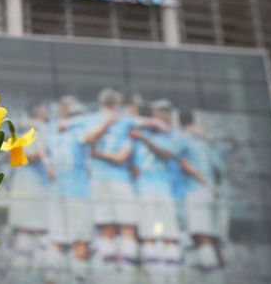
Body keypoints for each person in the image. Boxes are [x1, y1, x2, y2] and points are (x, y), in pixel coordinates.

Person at [84, 88, 138, 270]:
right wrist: (108, 123)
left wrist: (97, 154)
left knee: (114, 226)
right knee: (122, 227)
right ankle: (120, 273)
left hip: (108, 179)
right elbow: (89, 138)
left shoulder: (98, 121)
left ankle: (113, 272)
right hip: (112, 180)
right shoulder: (117, 121)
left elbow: (120, 156)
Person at [129, 99, 182, 282]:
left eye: (164, 112)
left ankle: (171, 278)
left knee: (169, 234)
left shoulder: (172, 136)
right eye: (157, 112)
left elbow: (166, 154)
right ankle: (155, 278)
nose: (160, 116)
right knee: (150, 233)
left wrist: (145, 139)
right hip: (144, 191)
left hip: (165, 191)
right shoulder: (138, 133)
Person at [43, 97, 91, 281]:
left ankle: (51, 279)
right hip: (78, 195)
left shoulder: (53, 135)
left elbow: (41, 147)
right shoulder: (80, 135)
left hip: (57, 196)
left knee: (57, 241)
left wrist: (48, 165)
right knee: (81, 241)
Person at [8, 102, 52, 278]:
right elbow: (20, 157)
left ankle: (37, 275)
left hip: (42, 187)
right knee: (27, 229)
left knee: (41, 230)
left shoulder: (46, 132)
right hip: (27, 186)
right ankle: (19, 276)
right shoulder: (24, 133)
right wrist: (42, 154)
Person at [178, 112, 223, 271]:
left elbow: (184, 164)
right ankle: (207, 263)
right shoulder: (206, 143)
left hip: (196, 191)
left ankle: (209, 266)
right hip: (207, 192)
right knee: (201, 232)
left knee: (200, 233)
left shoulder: (186, 140)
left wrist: (208, 183)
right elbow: (218, 169)